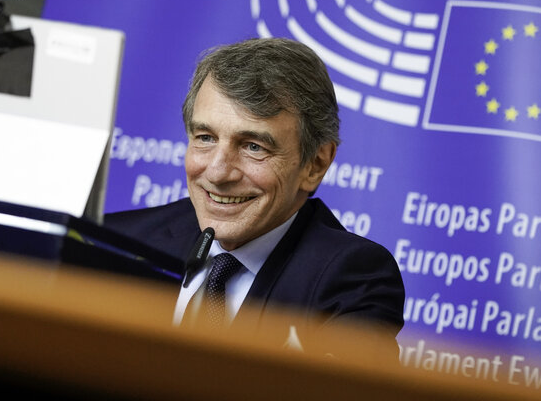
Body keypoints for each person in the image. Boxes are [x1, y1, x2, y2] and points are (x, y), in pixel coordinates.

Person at [105, 37, 404, 350]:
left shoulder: (351, 280)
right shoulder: (116, 243)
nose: (218, 173)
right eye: (205, 138)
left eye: (253, 147)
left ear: (315, 164)